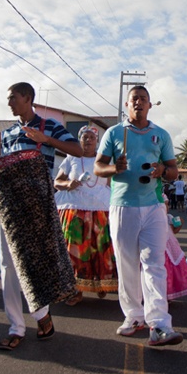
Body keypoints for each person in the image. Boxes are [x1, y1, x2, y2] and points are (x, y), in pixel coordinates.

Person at [0, 82, 82, 350]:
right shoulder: (9, 133)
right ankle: (16, 327)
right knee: (8, 267)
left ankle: (41, 313)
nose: (9, 102)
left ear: (28, 98)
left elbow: (78, 150)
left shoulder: (50, 126)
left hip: (38, 206)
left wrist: (44, 139)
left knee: (37, 263)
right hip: (9, 206)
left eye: (13, 97)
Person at [95, 85, 183, 347]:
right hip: (122, 206)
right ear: (126, 104)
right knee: (127, 264)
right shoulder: (114, 133)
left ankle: (160, 325)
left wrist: (161, 171)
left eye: (143, 99)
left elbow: (174, 171)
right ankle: (133, 316)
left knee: (154, 264)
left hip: (154, 206)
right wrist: (113, 167)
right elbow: (98, 167)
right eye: (134, 99)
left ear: (149, 105)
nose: (139, 103)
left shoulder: (161, 134)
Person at [54, 125, 117, 305]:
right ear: (79, 140)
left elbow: (112, 185)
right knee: (74, 252)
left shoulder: (105, 160)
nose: (88, 140)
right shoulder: (71, 158)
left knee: (102, 250)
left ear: (97, 141)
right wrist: (68, 184)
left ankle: (101, 285)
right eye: (84, 137)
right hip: (75, 211)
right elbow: (57, 181)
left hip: (101, 211)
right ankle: (75, 291)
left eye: (91, 137)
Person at [163, 196, 187, 300]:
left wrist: (180, 224)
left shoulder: (168, 217)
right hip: (160, 248)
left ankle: (169, 293)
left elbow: (174, 230)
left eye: (166, 204)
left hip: (170, 247)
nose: (165, 207)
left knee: (170, 269)